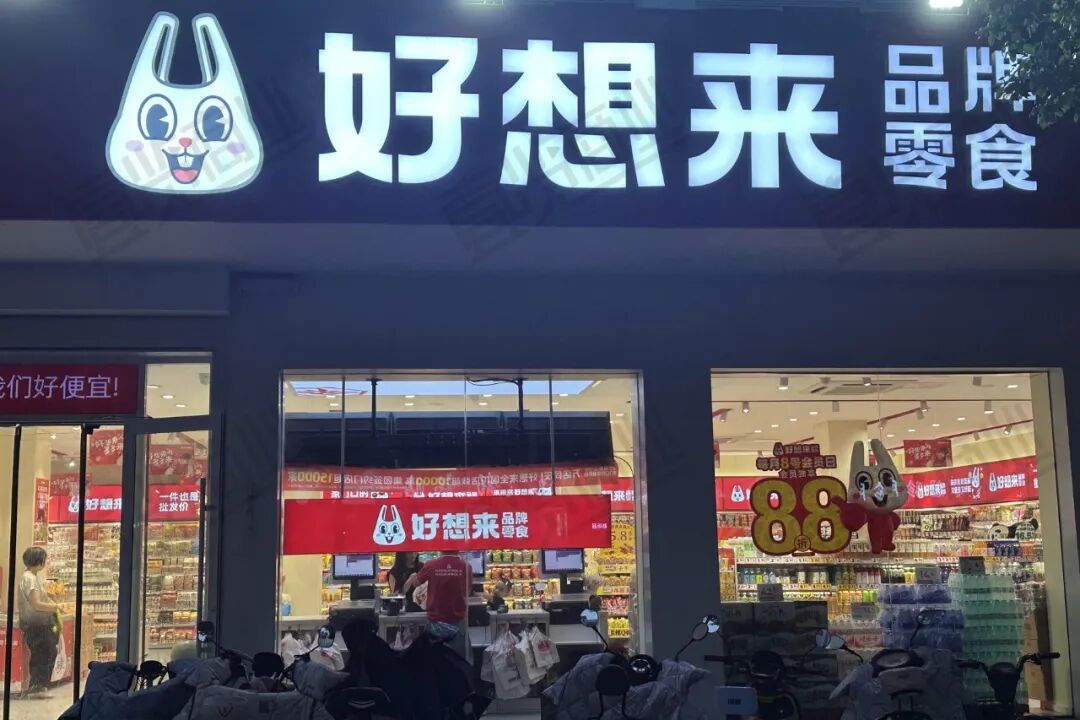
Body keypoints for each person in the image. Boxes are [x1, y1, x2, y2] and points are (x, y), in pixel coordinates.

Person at [405, 550, 472, 663]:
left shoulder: (431, 564)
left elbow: (416, 583)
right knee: (459, 661)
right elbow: (467, 591)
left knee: (433, 660)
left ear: (440, 549)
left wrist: (414, 577)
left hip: (435, 622)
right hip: (457, 622)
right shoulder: (466, 566)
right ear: (457, 549)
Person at [18, 546, 60, 698]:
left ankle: (38, 687)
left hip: (38, 624)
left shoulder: (30, 577)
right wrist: (56, 607)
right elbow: (36, 604)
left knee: (43, 654)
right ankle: (37, 688)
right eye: (44, 559)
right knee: (44, 654)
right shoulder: (30, 578)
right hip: (37, 625)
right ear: (39, 561)